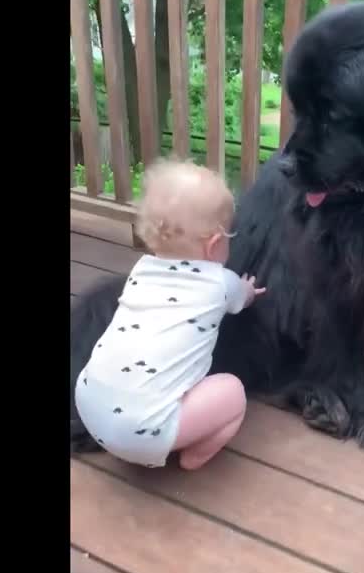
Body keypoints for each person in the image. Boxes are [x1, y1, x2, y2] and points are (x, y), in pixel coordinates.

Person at [74, 159, 264, 470]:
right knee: (233, 391)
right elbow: (242, 300)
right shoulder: (220, 284)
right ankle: (195, 455)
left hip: (89, 406)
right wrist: (248, 290)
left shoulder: (141, 271)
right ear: (214, 245)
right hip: (142, 436)